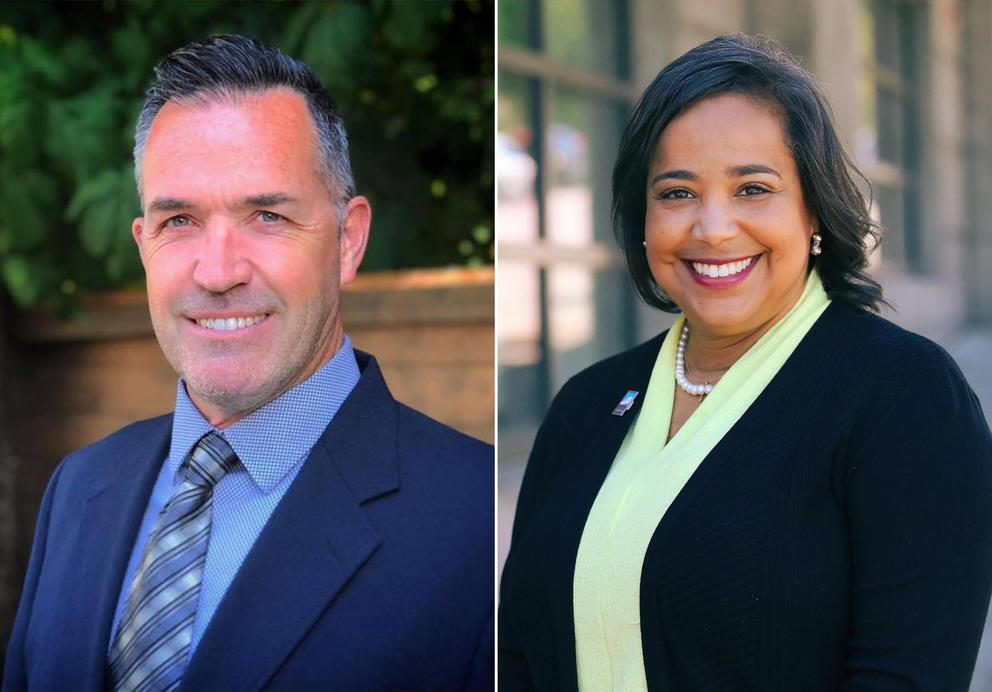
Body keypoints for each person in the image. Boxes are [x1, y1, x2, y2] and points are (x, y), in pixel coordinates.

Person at [499, 34, 992, 691]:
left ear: (812, 208)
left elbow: (908, 675)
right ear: (640, 218)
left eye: (753, 188)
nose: (713, 227)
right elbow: (520, 654)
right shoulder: (586, 404)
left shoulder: (904, 397)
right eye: (676, 193)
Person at [4, 34, 493, 691]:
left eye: (266, 215)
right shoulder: (80, 487)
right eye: (180, 220)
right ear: (144, 245)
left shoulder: (474, 519)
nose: (218, 271)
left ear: (348, 240)